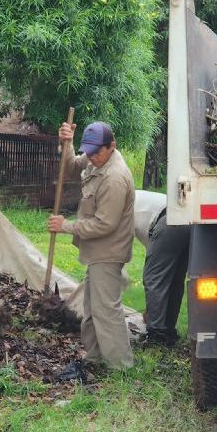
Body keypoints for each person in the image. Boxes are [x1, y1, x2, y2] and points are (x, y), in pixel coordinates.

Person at [48, 121, 136, 370]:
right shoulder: (95, 159)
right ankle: (95, 359)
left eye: (97, 152)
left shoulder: (114, 178)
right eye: (88, 152)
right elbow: (70, 168)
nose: (92, 157)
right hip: (97, 252)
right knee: (92, 309)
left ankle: (120, 367)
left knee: (106, 310)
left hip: (108, 252)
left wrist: (66, 226)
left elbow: (105, 224)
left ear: (111, 146)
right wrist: (67, 143)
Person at [135, 190, 190, 346]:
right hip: (187, 219)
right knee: (174, 281)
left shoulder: (120, 202)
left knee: (154, 279)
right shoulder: (135, 197)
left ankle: (156, 336)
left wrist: (152, 313)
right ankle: (168, 332)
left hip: (168, 221)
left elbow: (121, 245)